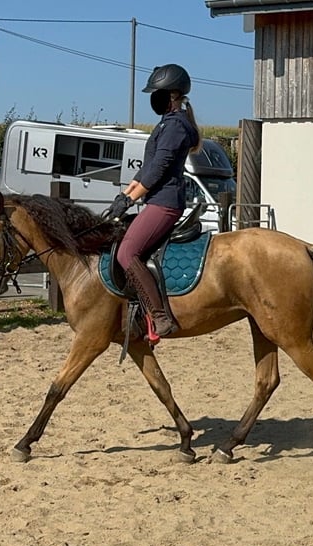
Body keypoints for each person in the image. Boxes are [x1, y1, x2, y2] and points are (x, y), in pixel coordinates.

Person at [102, 63, 202, 339]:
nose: (152, 98)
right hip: (156, 199)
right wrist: (125, 196)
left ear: (172, 95)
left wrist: (131, 199)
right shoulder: (168, 123)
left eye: (157, 93)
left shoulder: (175, 126)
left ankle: (160, 317)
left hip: (165, 202)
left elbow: (159, 168)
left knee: (125, 253)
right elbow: (147, 169)